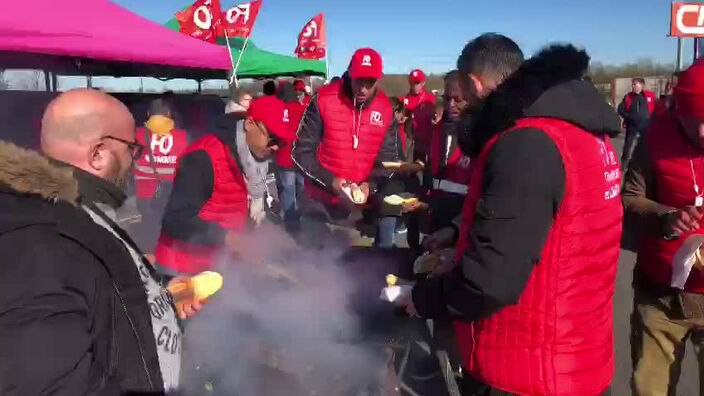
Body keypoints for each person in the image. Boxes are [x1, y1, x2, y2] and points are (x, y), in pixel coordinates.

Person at [405, 45, 623, 396]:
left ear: (474, 84)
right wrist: (461, 244)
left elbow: (489, 283)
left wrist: (423, 297)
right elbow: (545, 237)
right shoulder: (586, 134)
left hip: (528, 368)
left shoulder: (527, 142)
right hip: (579, 355)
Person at [0, 89, 205, 394]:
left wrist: (161, 294)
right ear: (97, 154)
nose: (135, 160)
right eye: (132, 149)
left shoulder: (79, 209)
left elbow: (97, 287)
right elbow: (48, 383)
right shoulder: (41, 240)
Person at [623, 61, 704, 396]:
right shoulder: (655, 138)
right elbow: (629, 198)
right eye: (694, 121)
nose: (703, 133)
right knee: (650, 389)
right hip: (660, 296)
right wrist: (667, 216)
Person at [155, 97, 277, 275]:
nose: (275, 148)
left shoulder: (258, 160)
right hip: (183, 268)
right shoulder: (203, 156)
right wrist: (229, 238)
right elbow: (174, 219)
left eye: (281, 142)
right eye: (272, 138)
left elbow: (237, 208)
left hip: (220, 266)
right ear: (250, 124)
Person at [291, 48, 399, 229]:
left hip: (363, 209)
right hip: (320, 204)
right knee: (312, 256)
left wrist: (369, 186)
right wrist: (330, 181)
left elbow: (389, 160)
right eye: (358, 81)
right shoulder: (323, 99)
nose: (363, 89)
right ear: (349, 73)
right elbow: (299, 153)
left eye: (370, 82)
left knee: (363, 256)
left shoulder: (386, 109)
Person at [132, 97, 189, 252]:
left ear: (148, 114)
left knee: (148, 232)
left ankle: (148, 263)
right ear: (169, 114)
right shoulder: (183, 136)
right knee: (172, 234)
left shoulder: (136, 135)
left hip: (145, 195)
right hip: (173, 194)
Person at [427, 70, 471, 232]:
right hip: (437, 214)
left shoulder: (480, 135)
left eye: (457, 100)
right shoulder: (438, 130)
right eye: (447, 99)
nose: (451, 105)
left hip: (462, 223)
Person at [221, 98, 271, 226]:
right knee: (253, 210)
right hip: (248, 172)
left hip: (228, 172)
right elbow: (247, 155)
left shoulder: (218, 126)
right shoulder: (245, 125)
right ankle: (252, 235)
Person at [275, 82, 306, 231]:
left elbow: (275, 131)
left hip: (284, 155)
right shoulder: (302, 109)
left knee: (288, 189)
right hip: (301, 156)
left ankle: (291, 222)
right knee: (301, 188)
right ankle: (300, 215)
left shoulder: (279, 110)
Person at [618, 77, 655, 171]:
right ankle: (623, 166)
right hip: (632, 126)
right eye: (633, 84)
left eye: (635, 84)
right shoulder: (628, 96)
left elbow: (655, 109)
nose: (633, 86)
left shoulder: (649, 96)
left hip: (646, 126)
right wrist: (628, 116)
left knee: (646, 147)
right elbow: (620, 109)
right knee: (628, 147)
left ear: (642, 85)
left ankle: (645, 167)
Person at [400, 69, 436, 160]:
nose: (415, 86)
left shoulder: (430, 99)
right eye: (412, 83)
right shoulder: (403, 100)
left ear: (423, 83)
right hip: (409, 144)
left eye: (417, 83)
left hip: (426, 144)